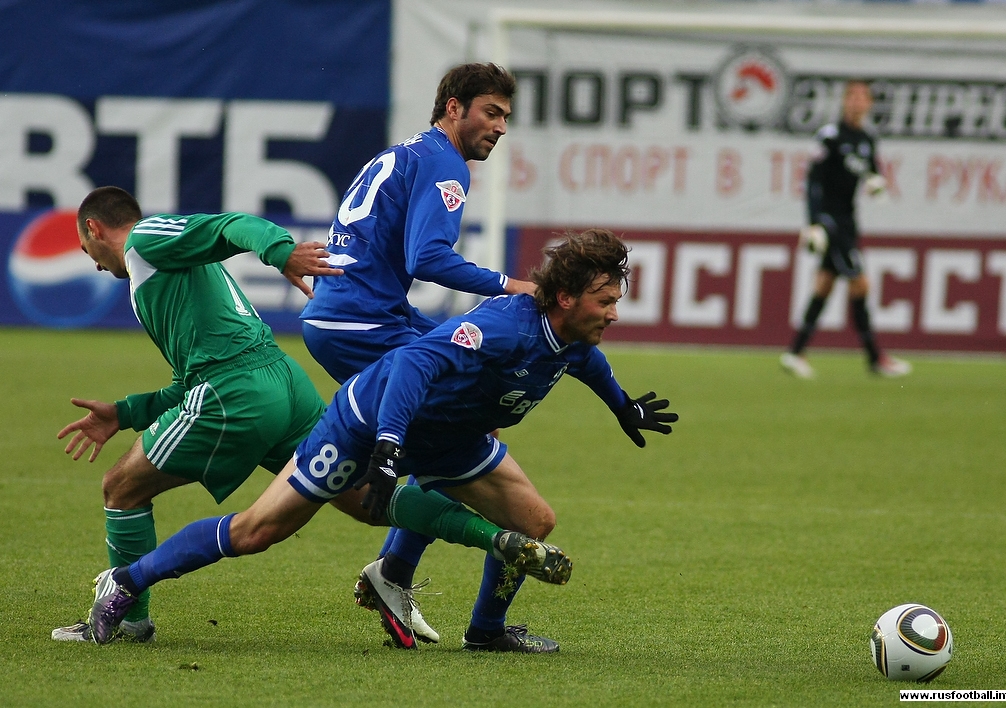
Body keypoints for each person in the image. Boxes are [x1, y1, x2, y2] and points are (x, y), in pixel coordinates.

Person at [85, 229, 677, 653]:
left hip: (449, 439)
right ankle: (127, 582)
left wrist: (622, 406)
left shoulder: (570, 339)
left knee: (534, 521)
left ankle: (486, 631)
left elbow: (587, 362)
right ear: (566, 299)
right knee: (258, 531)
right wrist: (388, 445)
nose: (614, 314)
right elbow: (413, 363)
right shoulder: (503, 327)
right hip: (367, 421)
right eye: (606, 302)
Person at [301, 63, 537, 647]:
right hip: (360, 321)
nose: (501, 127)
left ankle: (394, 566)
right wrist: (511, 286)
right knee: (459, 424)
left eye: (506, 116)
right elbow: (427, 258)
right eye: (491, 112)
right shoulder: (445, 163)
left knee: (465, 401)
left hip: (355, 311)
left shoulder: (408, 152)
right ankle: (396, 566)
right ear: (453, 108)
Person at [51, 185, 342, 643]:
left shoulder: (145, 239)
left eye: (86, 249)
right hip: (284, 379)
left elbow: (231, 224)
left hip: (237, 392)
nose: (95, 264)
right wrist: (124, 413)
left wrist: (280, 252)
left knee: (121, 487)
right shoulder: (166, 268)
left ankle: (130, 622)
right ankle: (461, 537)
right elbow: (186, 381)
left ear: (94, 228)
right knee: (364, 496)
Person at [780, 79, 911, 379]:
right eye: (852, 96)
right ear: (844, 101)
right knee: (860, 284)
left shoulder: (867, 139)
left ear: (869, 104)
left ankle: (795, 353)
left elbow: (872, 174)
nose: (856, 102)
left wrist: (877, 184)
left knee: (824, 284)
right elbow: (813, 181)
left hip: (849, 219)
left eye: (862, 97)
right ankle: (875, 358)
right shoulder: (830, 136)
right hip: (831, 220)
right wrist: (814, 222)